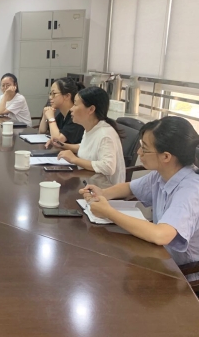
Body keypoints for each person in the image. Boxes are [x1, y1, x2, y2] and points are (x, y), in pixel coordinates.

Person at [80, 116, 199, 281]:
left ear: (166, 157)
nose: (139, 152)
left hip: (181, 275)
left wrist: (108, 212)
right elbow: (129, 187)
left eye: (144, 148)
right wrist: (103, 193)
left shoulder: (190, 191)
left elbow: (161, 235)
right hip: (160, 256)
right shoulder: (162, 174)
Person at [55, 86, 126, 185]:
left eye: (75, 104)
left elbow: (108, 167)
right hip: (89, 183)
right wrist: (64, 145)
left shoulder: (105, 134)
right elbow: (88, 147)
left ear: (91, 109)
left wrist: (75, 159)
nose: (71, 109)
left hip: (105, 190)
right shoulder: (91, 127)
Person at [38, 77, 85, 146]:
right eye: (50, 93)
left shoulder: (76, 116)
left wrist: (51, 118)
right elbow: (42, 132)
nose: (50, 97)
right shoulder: (62, 115)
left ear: (67, 96)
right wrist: (45, 115)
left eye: (54, 93)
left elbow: (57, 140)